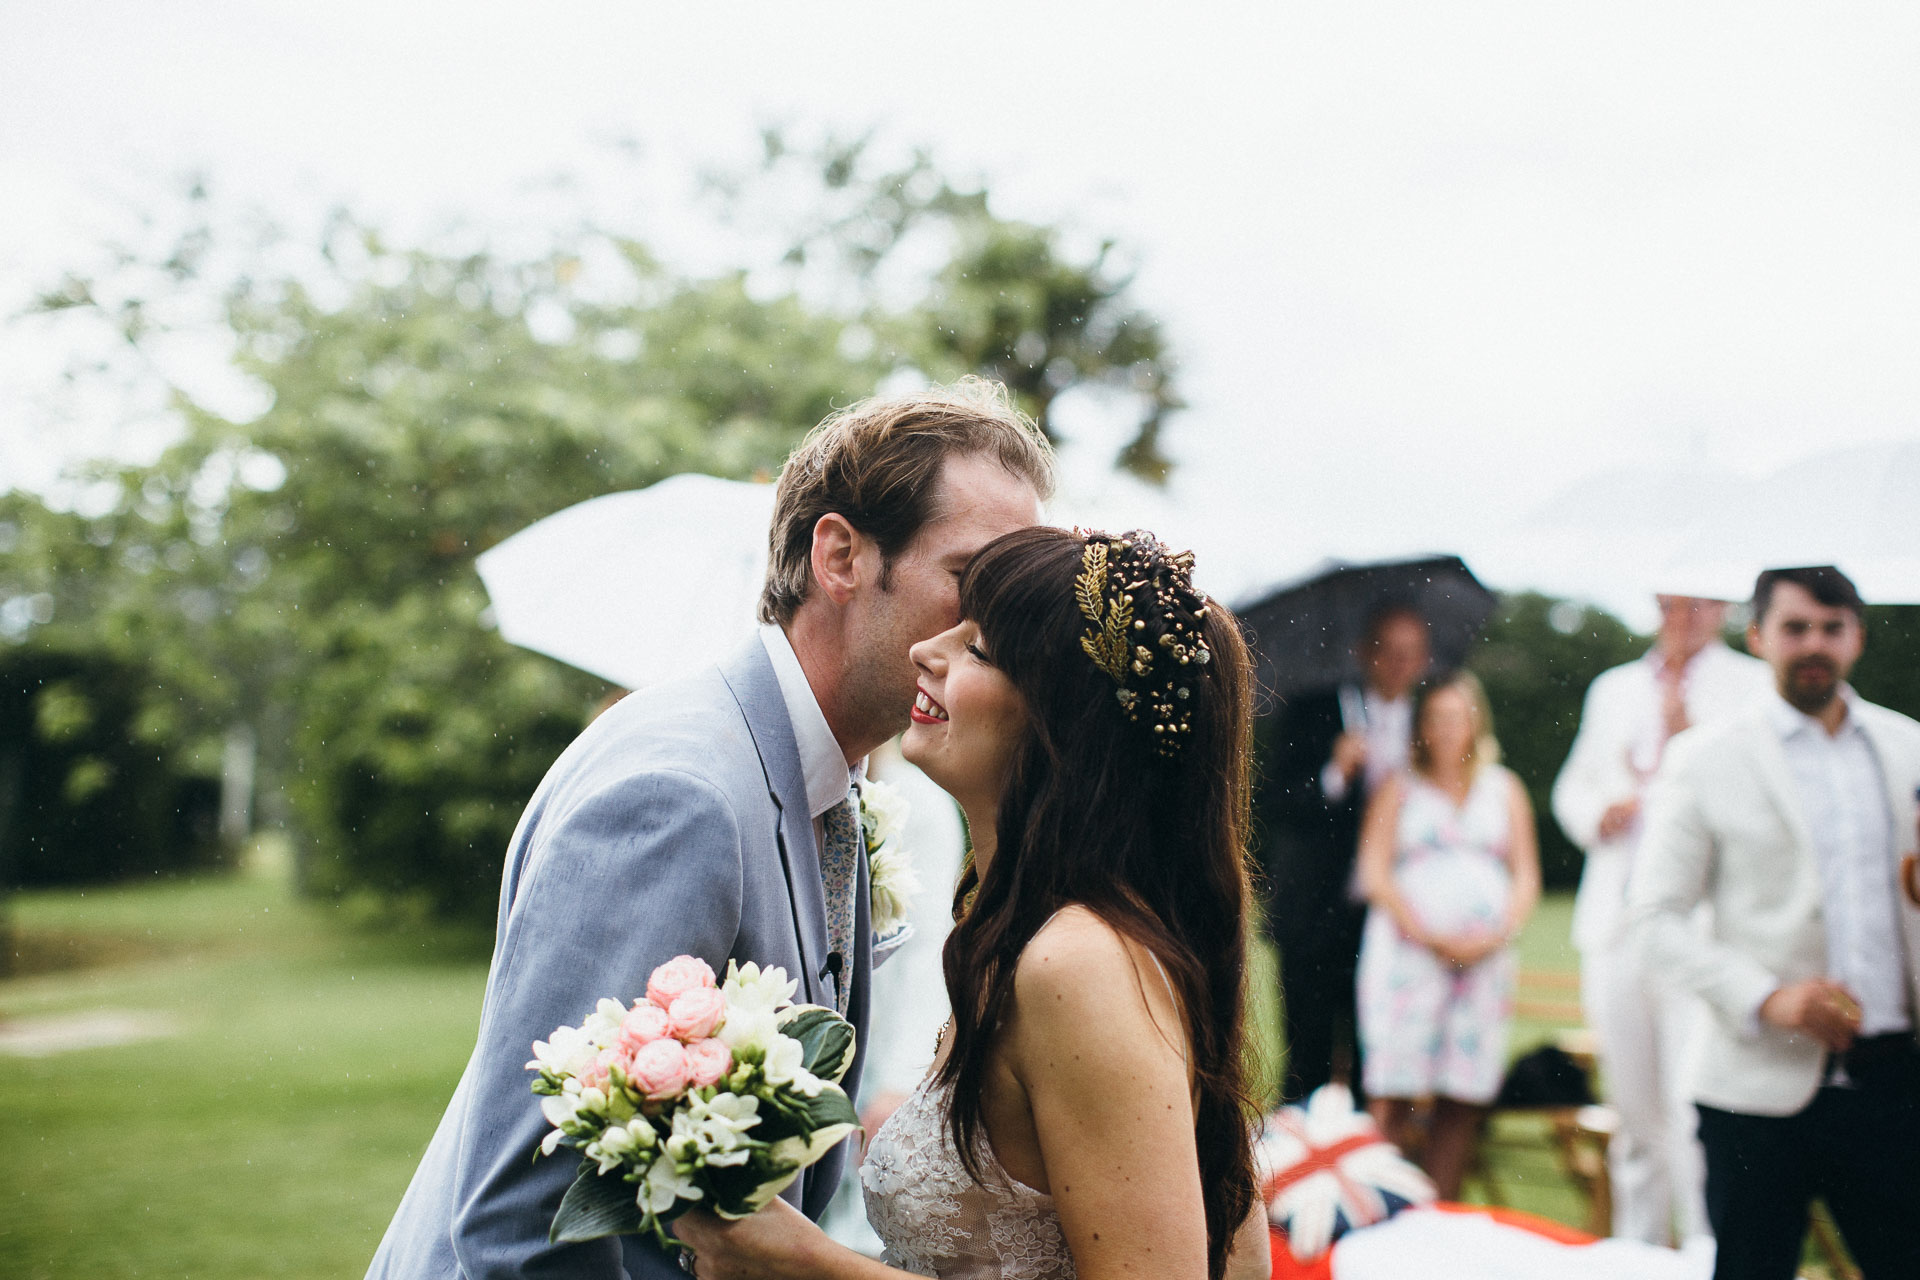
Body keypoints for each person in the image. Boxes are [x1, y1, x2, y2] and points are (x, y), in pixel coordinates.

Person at [364, 381, 1052, 1280]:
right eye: (971, 578)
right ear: (840, 555)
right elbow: (523, 1220)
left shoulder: (822, 782)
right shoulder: (675, 794)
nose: (1000, 625)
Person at [676, 526, 1272, 1280]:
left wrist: (806, 1263)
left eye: (979, 649)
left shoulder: (1079, 961)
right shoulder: (1014, 931)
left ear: (1064, 727)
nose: (929, 650)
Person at [1629, 566, 1920, 1280]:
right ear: (1758, 636)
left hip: (1894, 1078)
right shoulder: (1704, 758)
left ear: (1857, 636)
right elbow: (1654, 920)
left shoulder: (1908, 745)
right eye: (1795, 628)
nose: (1814, 643)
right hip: (1756, 1089)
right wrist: (1769, 997)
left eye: (1831, 627)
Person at [1551, 594, 1769, 1245]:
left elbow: (1750, 796)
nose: (1686, 614)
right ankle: (1638, 1253)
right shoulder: (1613, 689)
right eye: (1675, 601)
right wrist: (1599, 813)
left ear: (1725, 608)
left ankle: (1706, 1251)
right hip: (1616, 924)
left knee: (1692, 1108)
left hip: (1699, 927)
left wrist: (1683, 740)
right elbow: (1572, 786)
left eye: (1701, 603)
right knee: (1634, 1113)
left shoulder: (1751, 686)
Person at [1353, 670, 1540, 1200]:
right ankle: (1380, 1207)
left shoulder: (1504, 788)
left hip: (1483, 960)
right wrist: (1427, 933)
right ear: (1421, 727)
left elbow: (1525, 876)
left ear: (1476, 720)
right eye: (1435, 716)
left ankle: (1441, 1212)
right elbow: (1375, 872)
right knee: (1396, 1089)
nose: (1447, 727)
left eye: (1457, 714)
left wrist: (1498, 932)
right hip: (1410, 955)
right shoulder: (1400, 786)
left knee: (1462, 1092)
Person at [1260, 605, 1431, 1101]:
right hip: (1314, 909)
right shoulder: (1315, 709)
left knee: (1374, 1054)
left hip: (1388, 916)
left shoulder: (1428, 721)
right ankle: (1305, 1164)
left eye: (1410, 654)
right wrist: (1333, 774)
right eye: (1388, 651)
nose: (1398, 664)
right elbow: (1274, 800)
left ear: (1424, 661)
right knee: (1307, 1052)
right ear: (1364, 653)